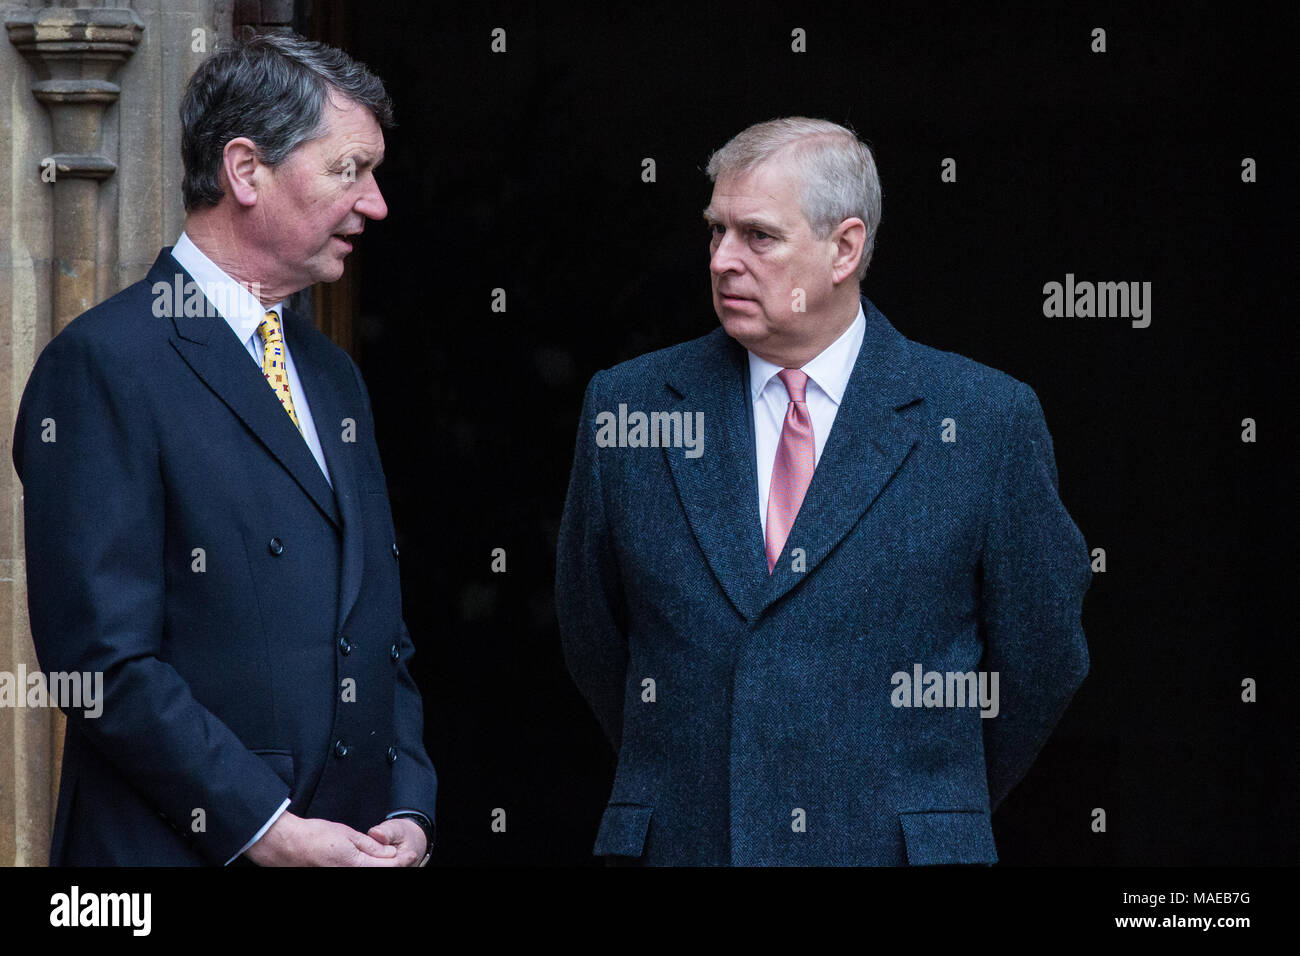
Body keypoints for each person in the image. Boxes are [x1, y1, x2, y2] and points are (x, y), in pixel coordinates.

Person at [556, 117, 1091, 865]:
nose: (722, 261)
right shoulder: (631, 408)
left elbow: (1040, 660)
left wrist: (933, 802)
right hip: (685, 844)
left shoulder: (985, 420)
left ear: (845, 248)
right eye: (715, 231)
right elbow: (593, 635)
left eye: (758, 237)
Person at [12, 33, 435, 866]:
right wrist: (266, 830)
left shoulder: (334, 375)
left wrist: (409, 802)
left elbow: (380, 630)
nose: (376, 202)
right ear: (246, 170)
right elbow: (99, 663)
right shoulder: (106, 363)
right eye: (350, 170)